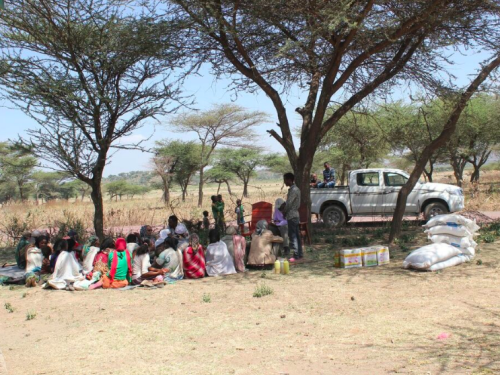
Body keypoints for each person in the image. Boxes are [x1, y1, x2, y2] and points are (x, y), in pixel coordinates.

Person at [283, 172, 303, 261]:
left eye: (285, 180)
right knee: (297, 235)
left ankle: (296, 254)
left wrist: (284, 212)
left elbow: (289, 204)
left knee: (293, 235)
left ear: (289, 180)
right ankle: (300, 253)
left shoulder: (293, 190)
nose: (284, 182)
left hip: (292, 215)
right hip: (295, 215)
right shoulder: (295, 189)